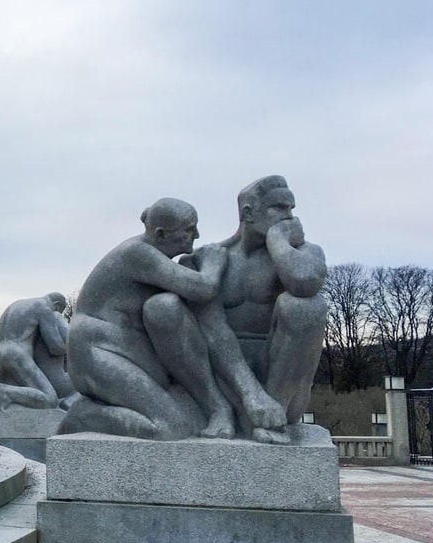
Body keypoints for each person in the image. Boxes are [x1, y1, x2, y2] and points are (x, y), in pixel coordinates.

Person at [62, 197, 236, 440]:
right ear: (161, 235)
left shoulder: (154, 255)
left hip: (124, 347)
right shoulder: (138, 253)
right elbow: (202, 288)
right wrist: (214, 263)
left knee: (188, 419)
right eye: (188, 229)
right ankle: (84, 415)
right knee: (168, 427)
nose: (197, 234)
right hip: (94, 351)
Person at [192, 175, 328, 443]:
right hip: (223, 381)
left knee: (305, 307)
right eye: (279, 208)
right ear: (249, 213)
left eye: (292, 209)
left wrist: (279, 242)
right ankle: (252, 412)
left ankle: (271, 419)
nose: (289, 217)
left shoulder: (306, 253)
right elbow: (210, 330)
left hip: (281, 384)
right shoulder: (211, 258)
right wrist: (250, 394)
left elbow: (304, 284)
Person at [0, 292, 79, 412]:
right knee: (50, 399)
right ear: (56, 305)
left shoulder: (15, 305)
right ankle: (4, 392)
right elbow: (54, 347)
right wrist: (71, 349)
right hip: (16, 355)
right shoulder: (44, 308)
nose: (56, 314)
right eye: (58, 311)